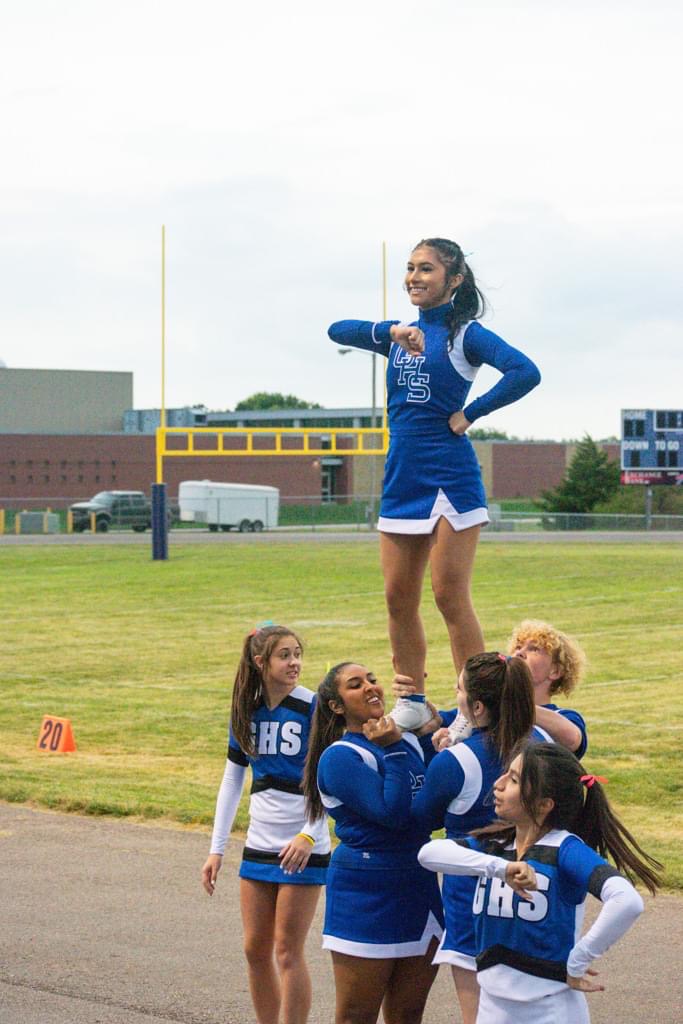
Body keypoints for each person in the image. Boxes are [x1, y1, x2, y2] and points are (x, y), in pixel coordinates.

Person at [328, 238, 541, 730]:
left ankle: (477, 706)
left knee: (448, 595)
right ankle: (411, 699)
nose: (414, 277)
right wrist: (391, 331)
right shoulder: (398, 333)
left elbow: (525, 372)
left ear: (454, 279)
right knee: (397, 597)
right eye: (410, 268)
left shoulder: (466, 334)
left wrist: (472, 413)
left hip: (450, 477)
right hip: (403, 478)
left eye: (426, 269)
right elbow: (336, 329)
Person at [419, 741, 662, 1024]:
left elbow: (627, 900)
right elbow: (429, 854)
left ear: (544, 804)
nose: (497, 784)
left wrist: (578, 960)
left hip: (551, 1011)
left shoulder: (565, 850)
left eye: (513, 780)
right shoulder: (494, 846)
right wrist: (502, 869)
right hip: (491, 1008)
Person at [201, 625, 331, 1024]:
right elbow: (232, 779)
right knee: (254, 949)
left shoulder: (313, 707)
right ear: (261, 662)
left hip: (303, 843)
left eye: (297, 654)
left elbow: (328, 779)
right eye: (285, 656)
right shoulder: (246, 709)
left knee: (287, 950)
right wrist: (217, 848)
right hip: (260, 841)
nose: (295, 663)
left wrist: (309, 835)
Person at [301, 662, 443, 1024]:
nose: (370, 687)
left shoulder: (407, 742)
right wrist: (395, 750)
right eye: (355, 685)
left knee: (408, 1015)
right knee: (356, 1016)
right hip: (366, 893)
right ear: (336, 705)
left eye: (372, 680)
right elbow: (392, 815)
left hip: (418, 886)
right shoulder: (339, 758)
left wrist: (427, 737)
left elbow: (433, 811)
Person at [410, 652, 542, 1024]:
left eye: (460, 690)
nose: (455, 695)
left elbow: (421, 819)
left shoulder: (455, 762)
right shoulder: (543, 742)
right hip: (535, 898)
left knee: (479, 1016)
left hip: (474, 906)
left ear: (479, 707)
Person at [507, 619, 588, 756]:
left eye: (534, 649)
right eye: (518, 647)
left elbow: (572, 739)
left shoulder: (565, 716)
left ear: (555, 671)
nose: (520, 653)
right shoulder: (492, 708)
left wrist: (512, 706)